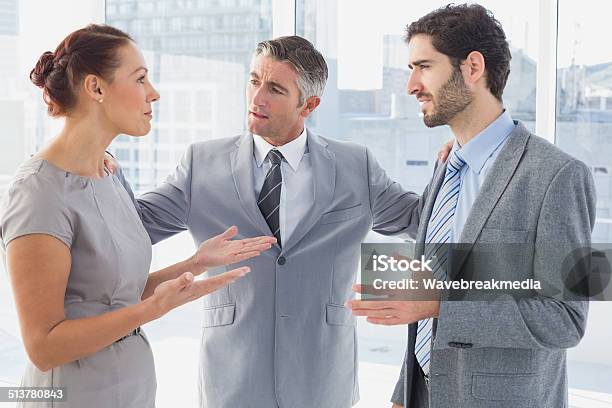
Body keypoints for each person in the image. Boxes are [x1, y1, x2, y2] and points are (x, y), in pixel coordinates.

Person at [106, 35, 452, 408]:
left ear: (310, 104)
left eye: (274, 89)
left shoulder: (356, 165)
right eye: (254, 80)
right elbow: (132, 230)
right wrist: (101, 165)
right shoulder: (201, 164)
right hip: (233, 377)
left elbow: (424, 222)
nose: (257, 98)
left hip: (321, 379)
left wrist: (455, 163)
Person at [0, 24, 276, 408]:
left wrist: (195, 263)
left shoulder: (109, 173)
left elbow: (113, 296)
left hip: (131, 387)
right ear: (95, 88)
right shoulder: (37, 192)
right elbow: (43, 346)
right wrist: (155, 309)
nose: (154, 93)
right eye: (141, 78)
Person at [346, 4, 596, 408]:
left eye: (424, 66)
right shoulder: (447, 165)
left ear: (473, 67)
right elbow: (425, 307)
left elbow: (565, 320)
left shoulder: (558, 176)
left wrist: (439, 303)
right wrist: (404, 393)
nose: (411, 85)